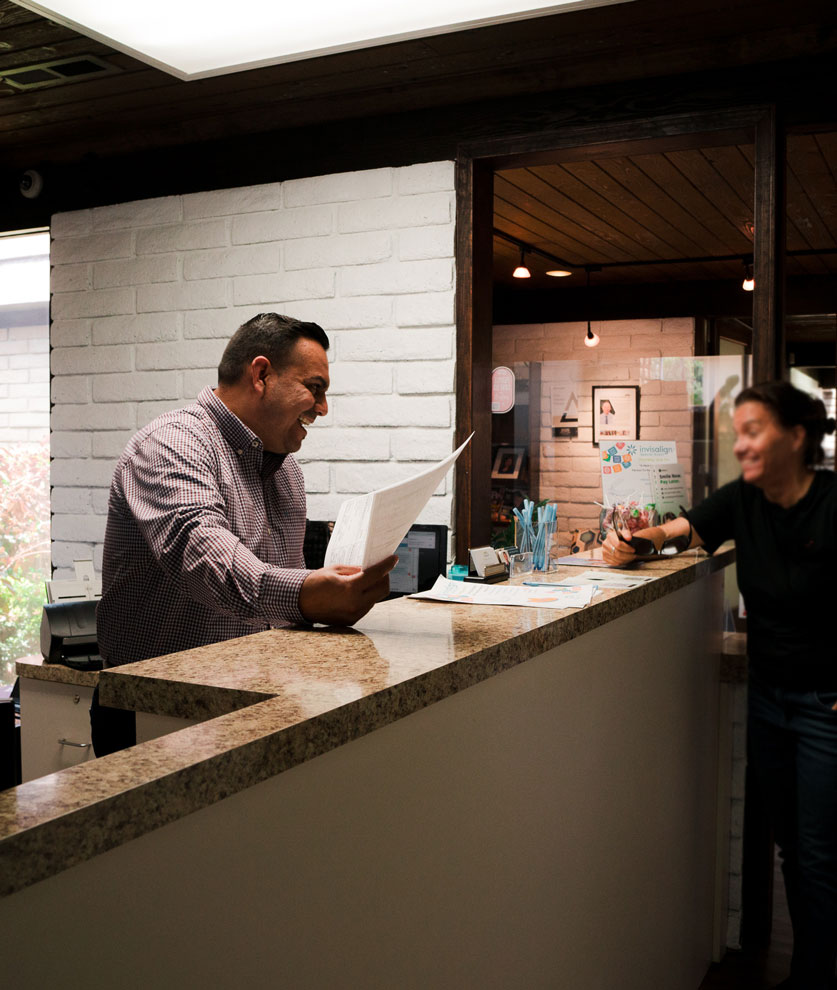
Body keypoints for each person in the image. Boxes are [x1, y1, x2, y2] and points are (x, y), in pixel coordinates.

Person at [602, 380, 837, 990]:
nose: (742, 446)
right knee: (790, 846)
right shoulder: (744, 500)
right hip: (770, 699)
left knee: (817, 855)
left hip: (825, 706)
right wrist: (638, 544)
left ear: (796, 437)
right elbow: (684, 528)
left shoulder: (833, 503)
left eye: (754, 431)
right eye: (740, 433)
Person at [93, 312, 396, 755]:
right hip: (155, 712)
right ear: (261, 375)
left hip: (250, 701)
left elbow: (273, 611)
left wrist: (329, 598)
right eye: (315, 388)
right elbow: (209, 564)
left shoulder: (286, 471)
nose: (323, 408)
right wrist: (309, 594)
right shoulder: (172, 443)